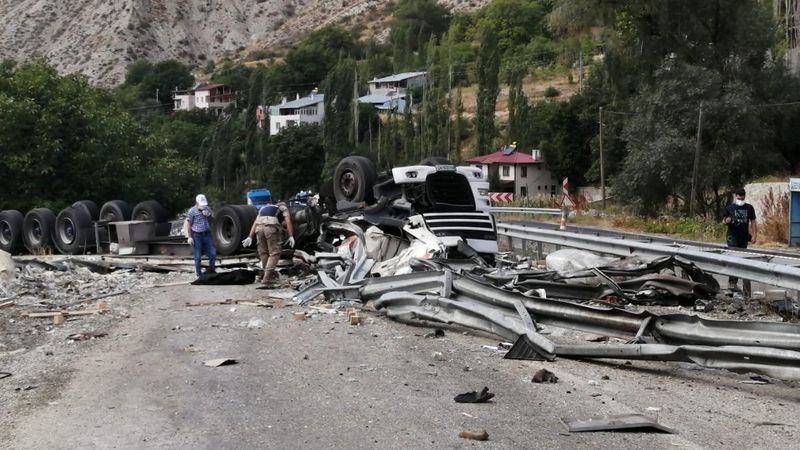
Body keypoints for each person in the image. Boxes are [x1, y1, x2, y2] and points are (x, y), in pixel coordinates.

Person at [242, 197, 295, 285]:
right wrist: (291, 236)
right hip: (270, 227)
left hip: (259, 229)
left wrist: (250, 236)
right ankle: (267, 278)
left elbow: (255, 222)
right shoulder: (283, 207)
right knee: (274, 253)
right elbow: (288, 221)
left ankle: (267, 275)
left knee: (264, 253)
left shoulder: (263, 208)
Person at [722, 188, 757, 297]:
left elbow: (753, 222)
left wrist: (754, 235)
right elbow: (723, 221)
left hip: (744, 237)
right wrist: (726, 221)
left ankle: (735, 283)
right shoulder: (730, 208)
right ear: (735, 196)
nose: (740, 198)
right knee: (734, 259)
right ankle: (732, 283)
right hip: (732, 236)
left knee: (741, 260)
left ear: (744, 196)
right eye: (738, 196)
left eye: (742, 196)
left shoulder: (749, 208)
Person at [185, 194, 216, 277]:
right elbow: (189, 224)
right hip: (197, 235)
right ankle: (198, 273)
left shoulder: (207, 209)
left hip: (207, 234)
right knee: (198, 256)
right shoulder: (192, 211)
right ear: (197, 202)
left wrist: (208, 215)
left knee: (212, 254)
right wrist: (190, 237)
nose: (203, 206)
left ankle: (212, 270)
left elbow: (212, 220)